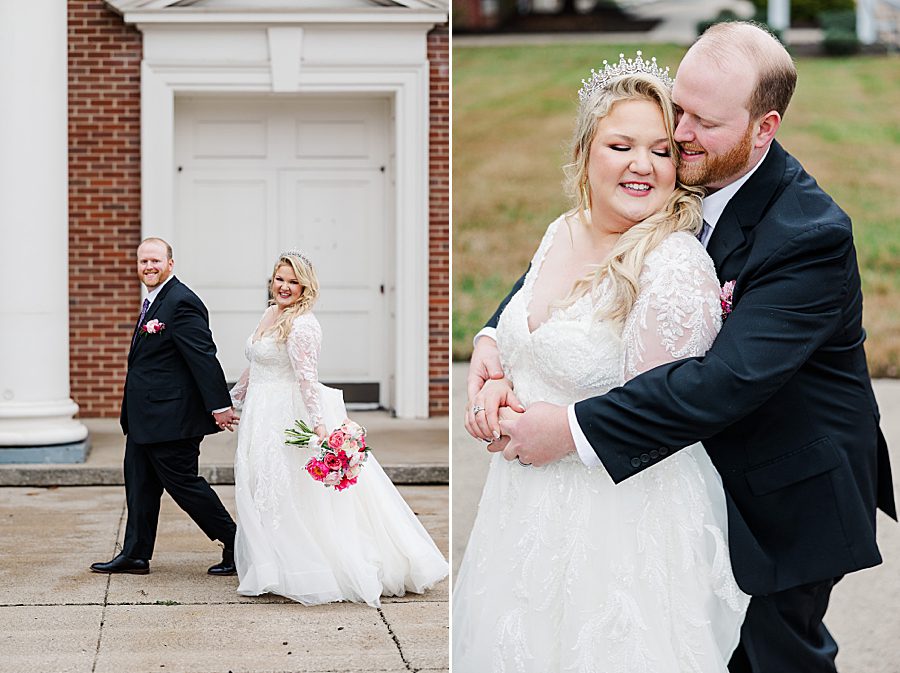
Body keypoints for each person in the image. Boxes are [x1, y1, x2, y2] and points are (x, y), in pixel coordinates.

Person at [467, 22, 896, 673]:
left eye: (705, 120)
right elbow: (579, 257)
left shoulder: (808, 235)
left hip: (784, 492)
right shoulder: (683, 171)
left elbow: (722, 380)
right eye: (680, 106)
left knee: (770, 657)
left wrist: (572, 429)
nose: (680, 132)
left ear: (763, 128)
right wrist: (494, 339)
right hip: (687, 467)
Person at [453, 57, 750, 672]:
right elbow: (535, 339)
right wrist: (497, 363)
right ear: (587, 151)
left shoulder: (672, 265)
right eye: (622, 145)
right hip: (524, 507)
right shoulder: (564, 229)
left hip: (618, 522)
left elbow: (660, 412)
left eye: (662, 151)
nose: (642, 165)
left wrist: (545, 423)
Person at [229, 250, 448, 606]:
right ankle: (272, 564)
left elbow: (307, 380)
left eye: (292, 281)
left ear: (305, 286)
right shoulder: (272, 313)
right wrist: (233, 402)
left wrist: (320, 431)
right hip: (259, 414)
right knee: (262, 487)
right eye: (279, 278)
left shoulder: (303, 325)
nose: (284, 286)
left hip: (285, 416)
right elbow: (257, 363)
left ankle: (304, 568)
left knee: (288, 492)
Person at [91, 237, 239, 577]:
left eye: (156, 260)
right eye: (143, 261)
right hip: (145, 418)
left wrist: (219, 405)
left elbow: (203, 357)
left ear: (170, 263)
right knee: (139, 484)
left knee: (184, 485)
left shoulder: (181, 302)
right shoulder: (155, 301)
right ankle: (135, 554)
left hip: (172, 419)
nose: (149, 266)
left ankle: (236, 543)